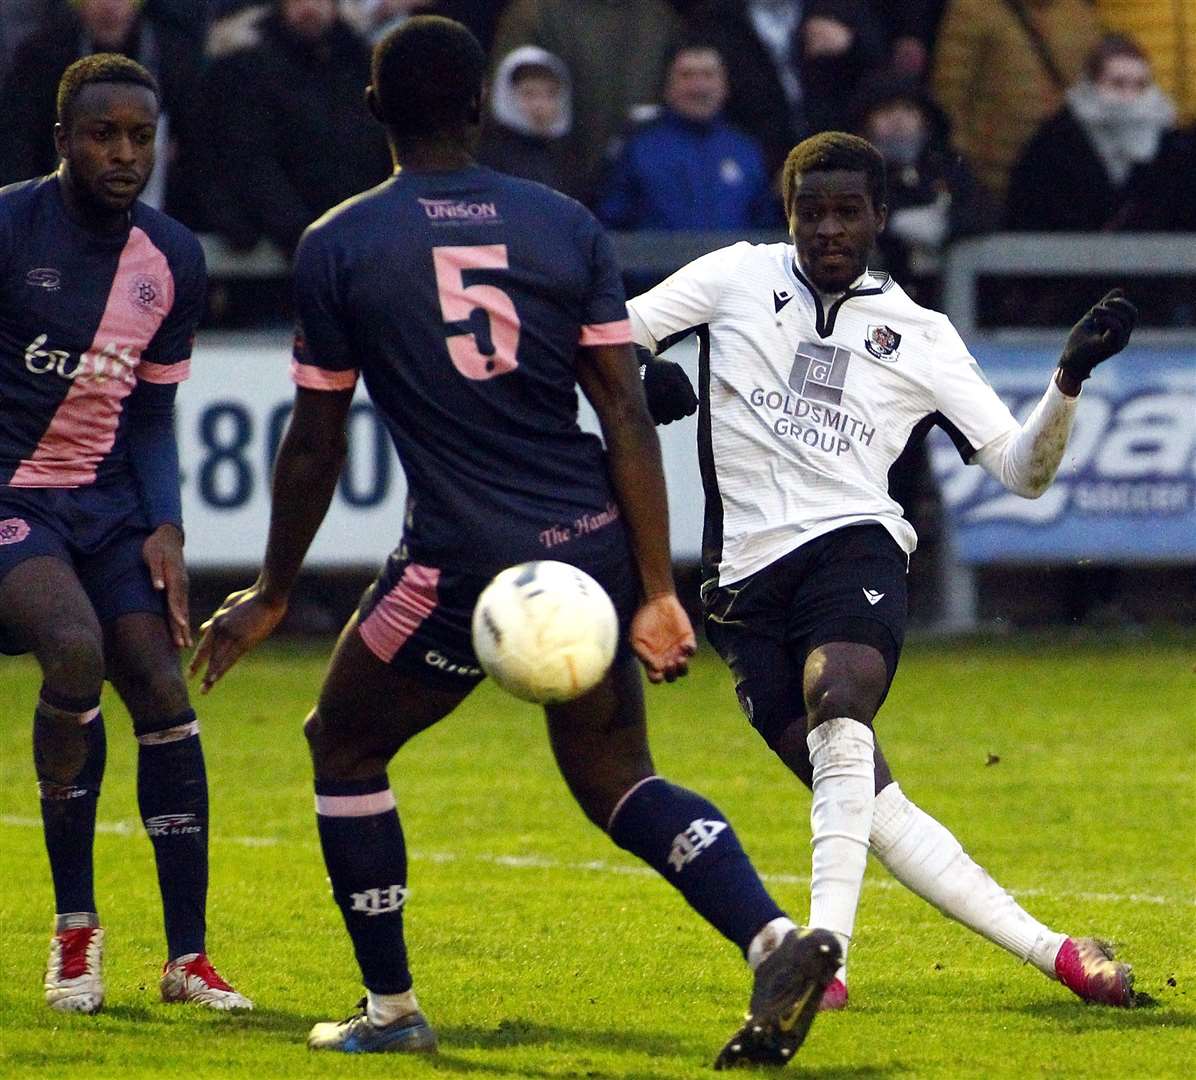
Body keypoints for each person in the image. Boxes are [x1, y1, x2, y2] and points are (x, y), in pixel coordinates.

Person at [191, 15, 839, 1065]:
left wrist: (271, 589)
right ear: (479, 104)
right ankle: (768, 934)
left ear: (372, 112)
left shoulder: (341, 242)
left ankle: (391, 1009)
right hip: (584, 546)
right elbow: (624, 412)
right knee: (617, 777)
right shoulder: (561, 225)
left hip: (459, 565)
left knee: (343, 742)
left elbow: (313, 446)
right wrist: (654, 587)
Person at [631, 132, 1138, 1011]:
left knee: (840, 704)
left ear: (879, 218)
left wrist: (1066, 381)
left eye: (846, 211)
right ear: (787, 214)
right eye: (811, 210)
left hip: (853, 546)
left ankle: (823, 953)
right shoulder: (734, 278)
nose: (828, 228)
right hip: (743, 588)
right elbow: (608, 334)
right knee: (870, 801)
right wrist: (644, 375)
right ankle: (1056, 953)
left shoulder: (923, 336)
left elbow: (1020, 470)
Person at [0, 53, 251, 1014]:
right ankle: (74, 935)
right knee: (73, 651)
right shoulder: (13, 226)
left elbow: (151, 414)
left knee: (158, 685)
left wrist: (167, 526)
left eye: (140, 136)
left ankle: (188, 960)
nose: (123, 153)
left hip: (108, 508)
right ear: (61, 138)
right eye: (103, 134)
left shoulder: (172, 258)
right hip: (15, 496)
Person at [200, 0, 391, 258]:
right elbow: (251, 163)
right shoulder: (248, 72)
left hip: (360, 243)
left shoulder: (363, 69)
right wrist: (303, 237)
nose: (309, 7)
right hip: (285, 252)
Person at [0, 0, 205, 223]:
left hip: (156, 214)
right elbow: (19, 144)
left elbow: (197, 145)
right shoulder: (42, 56)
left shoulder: (173, 56)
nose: (109, 5)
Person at [595, 41, 780, 232]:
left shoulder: (746, 151)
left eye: (708, 75)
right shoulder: (637, 150)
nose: (699, 87)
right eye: (687, 75)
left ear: (725, 85)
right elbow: (611, 226)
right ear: (667, 86)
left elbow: (765, 228)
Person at [1005, 34, 1176, 232]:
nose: (1130, 96)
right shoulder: (1054, 145)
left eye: (1140, 85)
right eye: (1117, 84)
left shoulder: (1169, 146)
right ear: (1091, 85)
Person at [931, 0, 1099, 201]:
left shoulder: (1081, 15)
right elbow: (949, 95)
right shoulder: (974, 10)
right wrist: (960, 160)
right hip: (990, 173)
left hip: (1061, 171)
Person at [477, 44, 572, 192]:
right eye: (529, 94)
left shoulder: (555, 156)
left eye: (550, 94)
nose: (540, 105)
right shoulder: (492, 157)